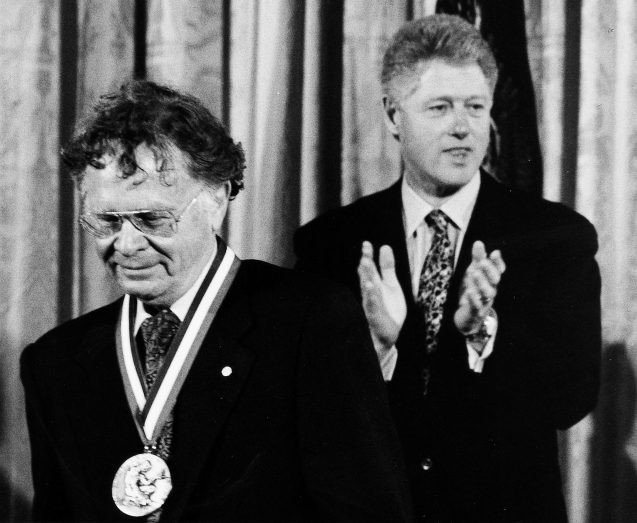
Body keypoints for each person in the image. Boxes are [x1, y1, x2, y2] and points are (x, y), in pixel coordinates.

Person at [21, 80, 412, 522]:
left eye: (152, 218)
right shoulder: (54, 364)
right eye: (106, 221)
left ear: (217, 199)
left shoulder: (310, 323)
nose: (127, 244)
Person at [295, 14, 601, 522]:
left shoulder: (556, 238)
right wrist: (380, 350)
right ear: (393, 115)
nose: (462, 127)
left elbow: (570, 399)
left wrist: (484, 336)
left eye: (476, 108)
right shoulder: (332, 244)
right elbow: (308, 412)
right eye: (440, 107)